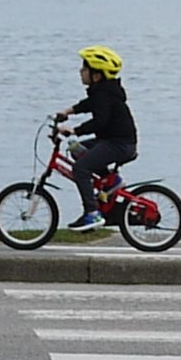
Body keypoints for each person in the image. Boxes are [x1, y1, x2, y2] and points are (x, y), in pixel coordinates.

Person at [54, 45, 137, 232]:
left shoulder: (104, 95)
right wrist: (68, 111)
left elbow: (99, 122)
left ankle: (92, 213)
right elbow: (89, 104)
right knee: (76, 149)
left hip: (119, 144)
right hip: (113, 141)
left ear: (97, 75)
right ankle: (110, 180)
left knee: (81, 168)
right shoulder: (102, 92)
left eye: (85, 69)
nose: (80, 72)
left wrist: (75, 129)